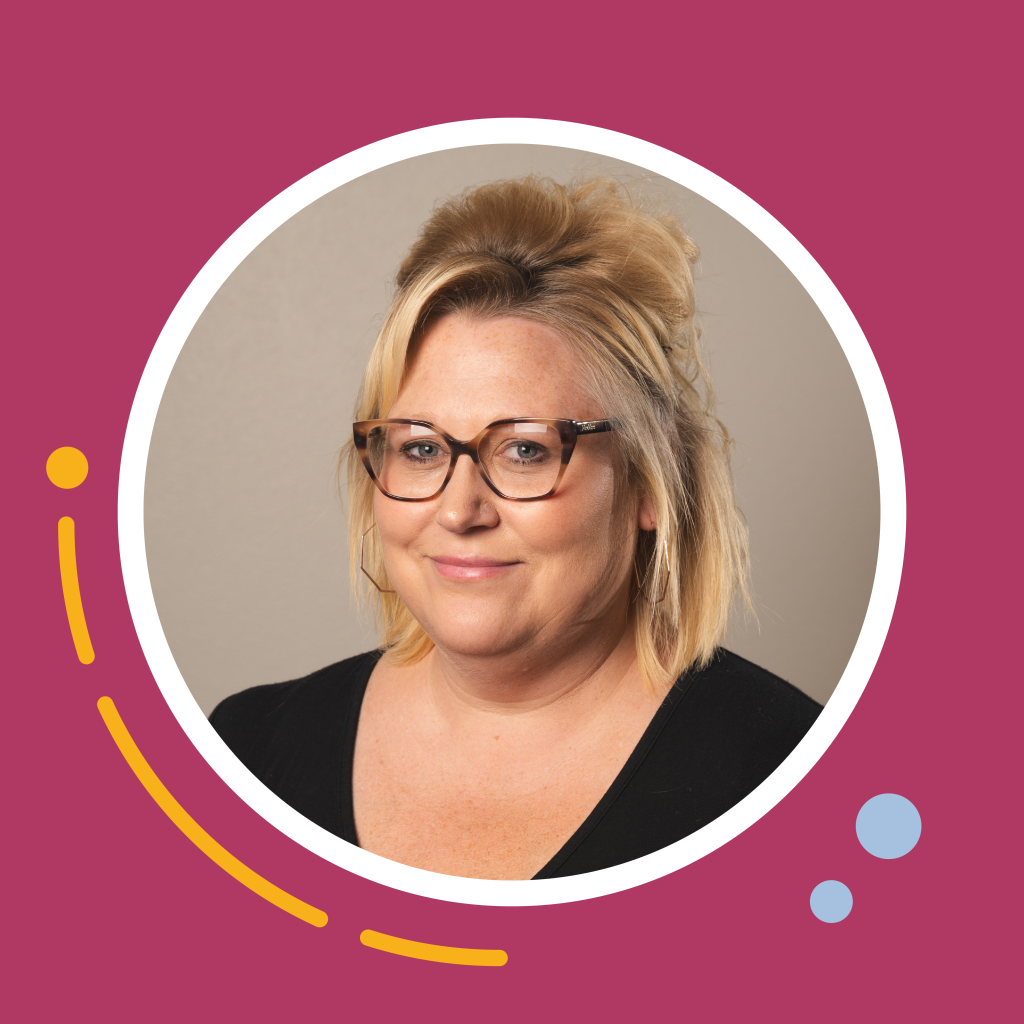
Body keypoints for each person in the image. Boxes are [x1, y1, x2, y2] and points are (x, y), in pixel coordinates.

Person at [210, 176, 821, 880]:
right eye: (421, 448)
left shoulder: (792, 777)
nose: (458, 510)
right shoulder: (246, 751)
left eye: (526, 450)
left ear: (651, 484)